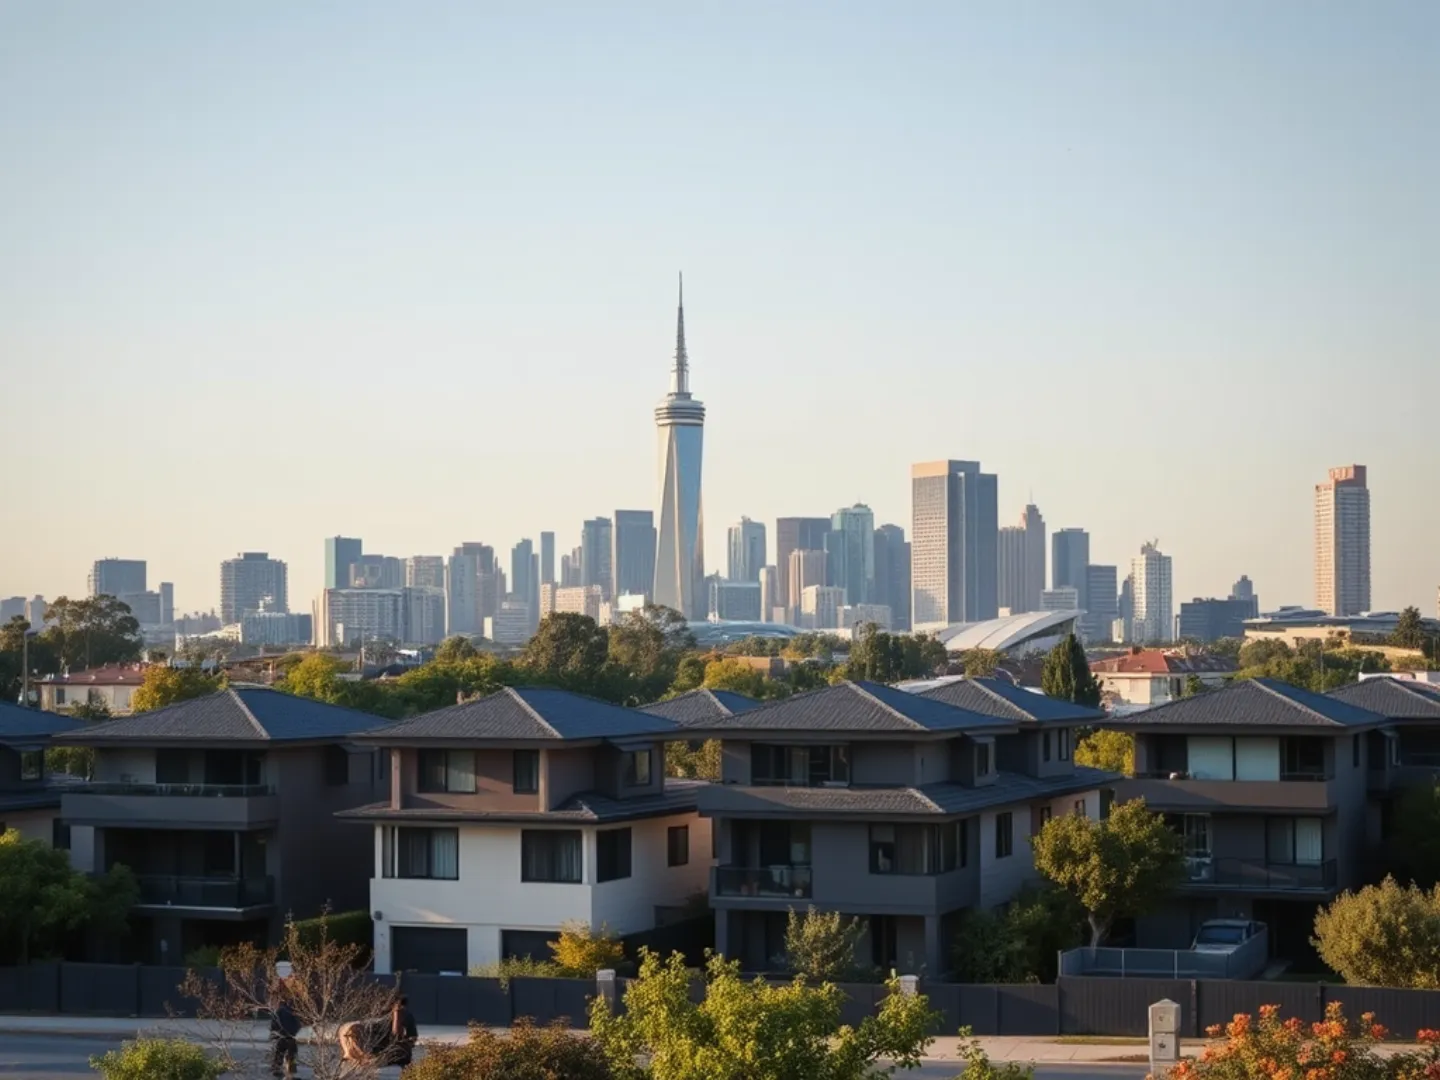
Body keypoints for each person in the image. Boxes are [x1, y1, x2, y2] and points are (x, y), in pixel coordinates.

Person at [269, 997, 299, 1078]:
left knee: (280, 1052)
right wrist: (294, 1032)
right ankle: (291, 1071)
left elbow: (274, 1023)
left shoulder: (280, 1010)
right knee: (291, 1054)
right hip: (290, 1036)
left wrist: (274, 1033)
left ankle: (276, 1068)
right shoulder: (294, 1012)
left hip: (282, 1036)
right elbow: (298, 1024)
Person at [384, 996, 418, 1066]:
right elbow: (413, 1036)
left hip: (386, 1054)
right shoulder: (408, 1015)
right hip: (403, 1054)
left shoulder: (386, 1015)